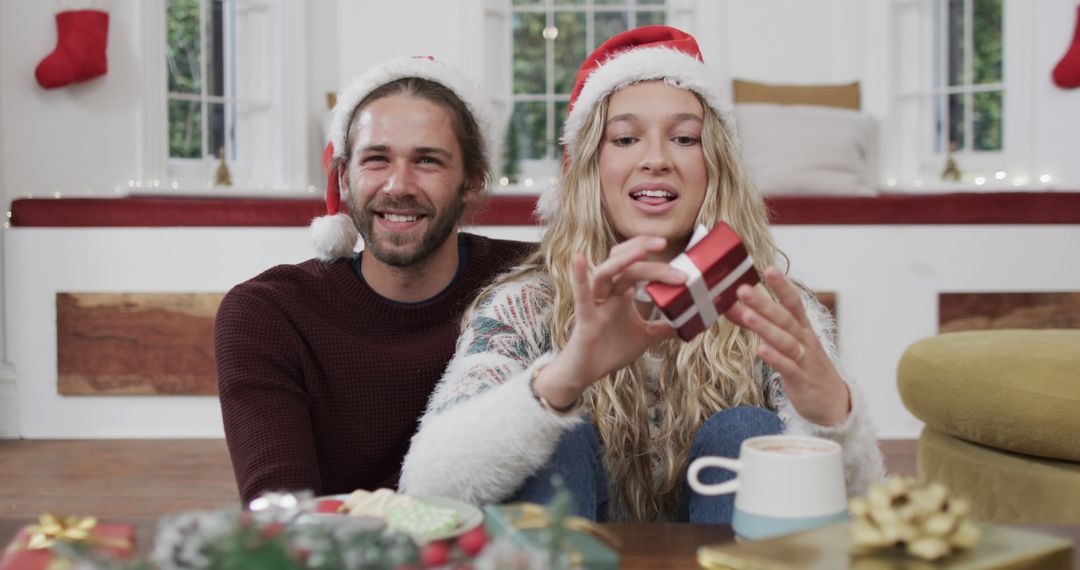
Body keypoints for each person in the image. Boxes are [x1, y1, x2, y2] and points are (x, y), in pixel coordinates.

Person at [399, 27, 885, 523]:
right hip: (574, 553)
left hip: (721, 555)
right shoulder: (526, 305)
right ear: (591, 165)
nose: (656, 159)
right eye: (626, 138)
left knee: (745, 430)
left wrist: (831, 417)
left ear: (714, 165)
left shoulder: (766, 308)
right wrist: (564, 378)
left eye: (684, 138)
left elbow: (863, 508)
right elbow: (427, 486)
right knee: (561, 437)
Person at [215, 57, 533, 504]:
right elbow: (282, 511)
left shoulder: (528, 285)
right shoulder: (270, 314)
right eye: (377, 159)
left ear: (471, 182)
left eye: (427, 160)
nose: (398, 185)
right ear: (344, 178)